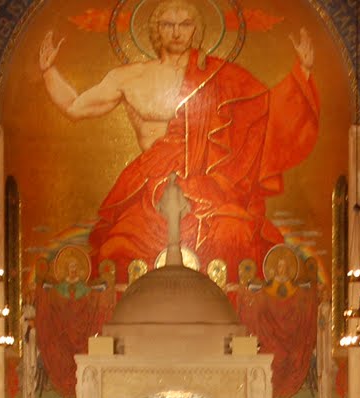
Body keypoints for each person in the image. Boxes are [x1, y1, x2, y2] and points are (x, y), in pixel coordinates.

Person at [37, 1, 320, 278]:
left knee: (234, 237)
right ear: (154, 29)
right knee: (117, 249)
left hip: (208, 186)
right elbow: (75, 106)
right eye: (168, 24)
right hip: (151, 187)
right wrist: (48, 72)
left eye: (185, 24)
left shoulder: (216, 75)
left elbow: (264, 110)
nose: (176, 32)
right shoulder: (128, 77)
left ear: (196, 30)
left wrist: (302, 73)